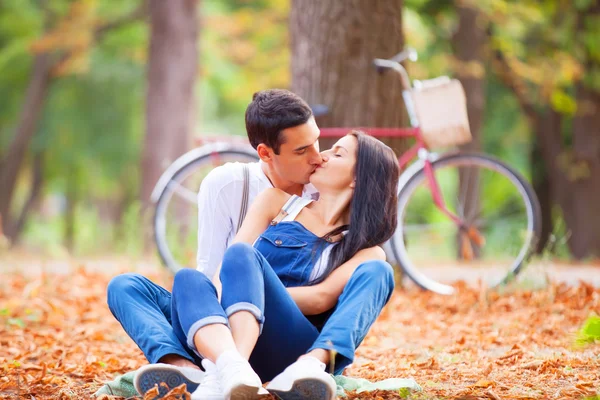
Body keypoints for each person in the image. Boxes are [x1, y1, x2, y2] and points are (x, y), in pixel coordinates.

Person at [106, 89, 323, 397]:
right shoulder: (229, 184)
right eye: (302, 151)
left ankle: (221, 367)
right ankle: (186, 369)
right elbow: (208, 273)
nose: (317, 157)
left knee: (228, 267)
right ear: (265, 153)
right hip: (219, 324)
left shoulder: (326, 190)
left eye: (317, 141)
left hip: (278, 329)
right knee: (126, 286)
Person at [170, 131, 400, 400]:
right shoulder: (278, 202)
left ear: (358, 179)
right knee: (170, 281)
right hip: (235, 333)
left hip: (293, 349)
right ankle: (218, 368)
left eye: (337, 154)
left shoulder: (366, 252)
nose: (321, 157)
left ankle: (308, 366)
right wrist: (234, 296)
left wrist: (248, 292)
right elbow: (227, 273)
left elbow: (320, 298)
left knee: (380, 271)